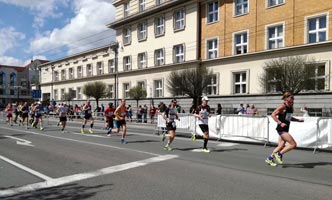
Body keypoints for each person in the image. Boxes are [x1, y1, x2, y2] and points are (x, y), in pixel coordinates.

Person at [265, 92, 304, 166]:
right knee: (293, 144)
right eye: (291, 97)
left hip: (285, 129)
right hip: (281, 129)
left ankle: (270, 158)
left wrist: (298, 120)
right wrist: (280, 123)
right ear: (286, 98)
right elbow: (273, 115)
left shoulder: (290, 107)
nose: (293, 99)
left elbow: (289, 118)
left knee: (281, 146)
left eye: (293, 97)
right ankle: (279, 154)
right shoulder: (282, 106)